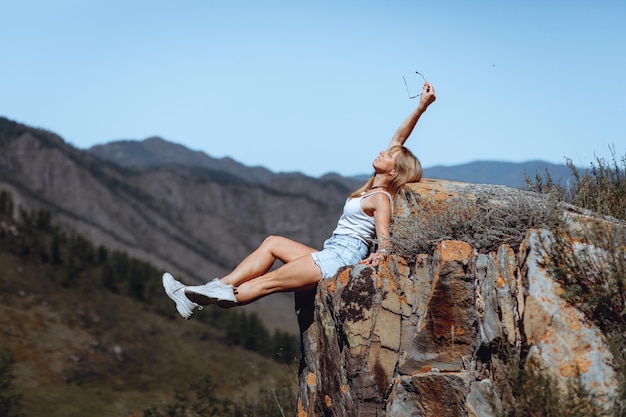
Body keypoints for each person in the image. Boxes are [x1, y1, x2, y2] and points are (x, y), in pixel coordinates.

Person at [163, 81, 436, 319]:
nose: (383, 152)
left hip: (340, 258)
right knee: (273, 243)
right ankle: (211, 288)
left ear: (394, 171)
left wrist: (382, 253)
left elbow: (384, 237)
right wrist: (421, 107)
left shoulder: (381, 198)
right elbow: (399, 138)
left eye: (390, 156)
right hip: (332, 251)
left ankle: (194, 299)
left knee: (266, 282)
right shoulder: (371, 188)